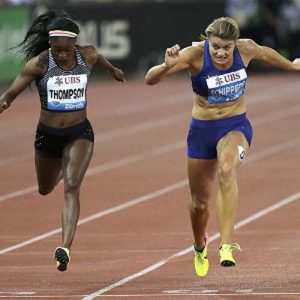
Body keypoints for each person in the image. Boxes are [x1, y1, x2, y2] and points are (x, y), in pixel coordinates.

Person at [145, 16, 300, 278]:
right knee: (198, 204)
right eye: (216, 46)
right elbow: (150, 80)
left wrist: (292, 66)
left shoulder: (246, 49)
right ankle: (199, 246)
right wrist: (164, 66)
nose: (220, 53)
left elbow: (266, 54)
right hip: (202, 132)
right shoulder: (194, 55)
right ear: (208, 42)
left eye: (227, 48)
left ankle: (226, 245)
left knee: (227, 170)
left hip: (235, 126)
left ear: (235, 44)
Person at [0, 10, 125, 272]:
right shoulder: (39, 64)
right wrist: (4, 102)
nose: (63, 55)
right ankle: (60, 169)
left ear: (75, 45)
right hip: (47, 136)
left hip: (79, 133)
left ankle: (64, 247)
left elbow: (100, 59)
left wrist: (113, 70)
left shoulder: (86, 55)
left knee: (72, 185)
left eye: (67, 50)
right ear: (50, 45)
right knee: (45, 188)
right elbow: (11, 93)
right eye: (58, 50)